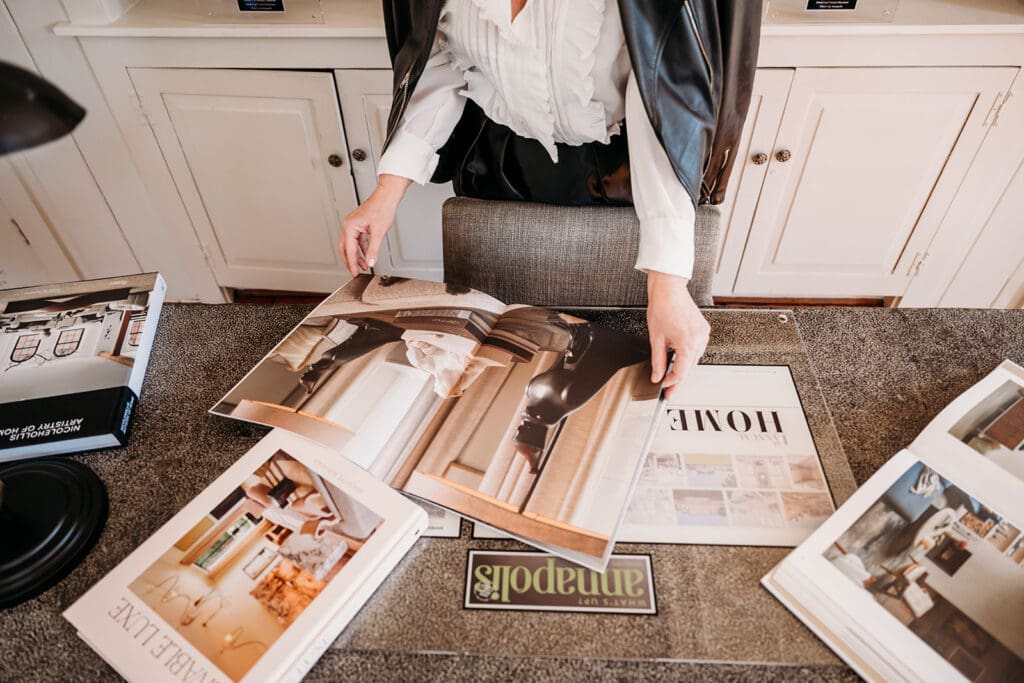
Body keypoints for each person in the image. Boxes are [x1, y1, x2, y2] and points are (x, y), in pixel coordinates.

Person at [340, 0, 759, 398]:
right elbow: (442, 60)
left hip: (635, 167)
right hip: (504, 160)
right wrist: (386, 193)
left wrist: (667, 282)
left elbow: (660, 93)